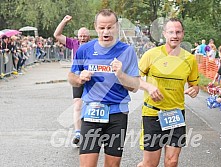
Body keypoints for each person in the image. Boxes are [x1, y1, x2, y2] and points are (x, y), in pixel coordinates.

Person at [68, 9, 139, 167]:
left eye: (110, 27)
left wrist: (121, 75)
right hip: (92, 113)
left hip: (117, 114)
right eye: (101, 28)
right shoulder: (84, 50)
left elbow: (135, 86)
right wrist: (79, 78)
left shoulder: (127, 51)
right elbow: (71, 77)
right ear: (95, 27)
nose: (106, 32)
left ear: (116, 26)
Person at [137, 18, 199, 167]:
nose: (175, 35)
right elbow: (135, 79)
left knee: (172, 161)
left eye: (178, 32)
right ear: (164, 34)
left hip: (176, 115)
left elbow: (195, 85)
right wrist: (149, 87)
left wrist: (194, 90)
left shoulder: (189, 59)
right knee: (150, 164)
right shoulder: (151, 55)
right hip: (153, 114)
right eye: (171, 32)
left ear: (183, 34)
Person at [54, 15, 91, 146]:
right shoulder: (74, 43)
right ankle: (77, 133)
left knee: (92, 105)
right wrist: (64, 21)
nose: (82, 38)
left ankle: (92, 131)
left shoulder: (94, 46)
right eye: (80, 36)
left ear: (89, 36)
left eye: (84, 36)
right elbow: (57, 35)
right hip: (77, 77)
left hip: (92, 78)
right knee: (77, 105)